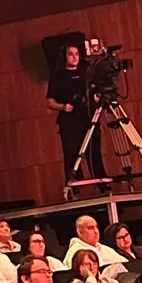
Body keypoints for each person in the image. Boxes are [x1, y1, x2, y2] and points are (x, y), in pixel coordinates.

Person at [46, 43, 104, 183]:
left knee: (94, 153)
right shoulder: (58, 76)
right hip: (69, 122)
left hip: (89, 119)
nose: (74, 57)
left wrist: (96, 98)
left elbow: (95, 93)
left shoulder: (87, 74)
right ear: (65, 57)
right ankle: (75, 185)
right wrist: (63, 107)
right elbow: (50, 101)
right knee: (72, 155)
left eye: (76, 54)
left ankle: (101, 183)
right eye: (70, 54)